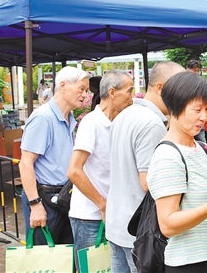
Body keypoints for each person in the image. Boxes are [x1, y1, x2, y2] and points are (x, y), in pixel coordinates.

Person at [147, 71, 207, 272]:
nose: (204, 117)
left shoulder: (199, 148)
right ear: (175, 108)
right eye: (197, 109)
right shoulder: (168, 155)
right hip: (188, 263)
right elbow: (168, 225)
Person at [106, 61, 183, 272]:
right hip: (137, 232)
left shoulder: (124, 115)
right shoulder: (152, 124)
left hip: (116, 225)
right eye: (178, 87)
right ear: (160, 88)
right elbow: (148, 182)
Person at [67, 70, 134, 270]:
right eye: (130, 91)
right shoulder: (91, 123)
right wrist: (103, 205)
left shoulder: (121, 122)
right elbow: (74, 171)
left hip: (112, 215)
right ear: (112, 92)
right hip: (90, 217)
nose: (133, 97)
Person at [19, 66, 90, 245]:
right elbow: (25, 163)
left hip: (63, 198)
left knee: (65, 259)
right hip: (44, 199)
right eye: (81, 89)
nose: (85, 95)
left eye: (86, 90)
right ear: (63, 86)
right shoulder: (43, 118)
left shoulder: (68, 119)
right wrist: (35, 205)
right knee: (45, 261)